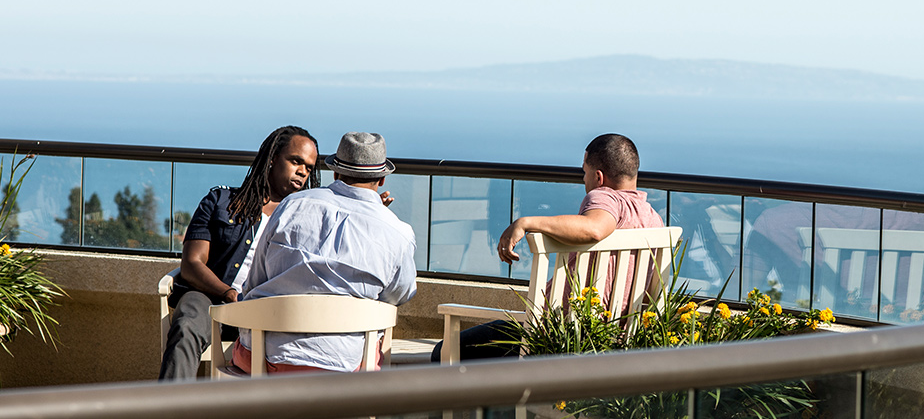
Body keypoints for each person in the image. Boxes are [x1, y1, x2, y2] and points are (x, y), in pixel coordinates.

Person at [431, 133, 664, 361]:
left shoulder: (604, 197)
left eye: (584, 172)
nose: (583, 180)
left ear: (599, 177)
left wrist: (526, 222)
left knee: (444, 351)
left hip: (553, 341)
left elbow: (594, 228)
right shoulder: (653, 219)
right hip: (614, 342)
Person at [234, 131, 417, 374]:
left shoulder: (293, 205)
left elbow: (254, 283)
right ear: (382, 179)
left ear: (336, 172)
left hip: (265, 360)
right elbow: (397, 297)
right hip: (346, 368)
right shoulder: (399, 233)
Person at [159, 126, 320, 381]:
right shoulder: (221, 201)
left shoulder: (310, 218)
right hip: (213, 301)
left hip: (271, 312)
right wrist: (228, 293)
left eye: (309, 168)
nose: (303, 171)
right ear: (272, 159)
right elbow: (191, 264)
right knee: (187, 322)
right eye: (296, 161)